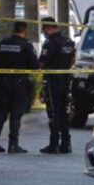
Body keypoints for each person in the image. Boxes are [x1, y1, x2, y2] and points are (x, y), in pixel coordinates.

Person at [0, 21, 39, 154]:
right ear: (25, 31)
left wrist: (1, 80)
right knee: (16, 114)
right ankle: (13, 145)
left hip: (4, 83)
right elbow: (35, 65)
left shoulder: (3, 43)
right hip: (19, 84)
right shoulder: (26, 45)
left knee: (1, 113)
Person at [39, 17, 76, 154]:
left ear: (47, 28)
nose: (43, 32)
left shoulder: (50, 43)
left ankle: (53, 144)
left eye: (43, 29)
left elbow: (42, 63)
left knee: (53, 113)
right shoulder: (68, 42)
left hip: (52, 81)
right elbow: (72, 61)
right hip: (65, 81)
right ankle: (66, 144)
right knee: (63, 113)